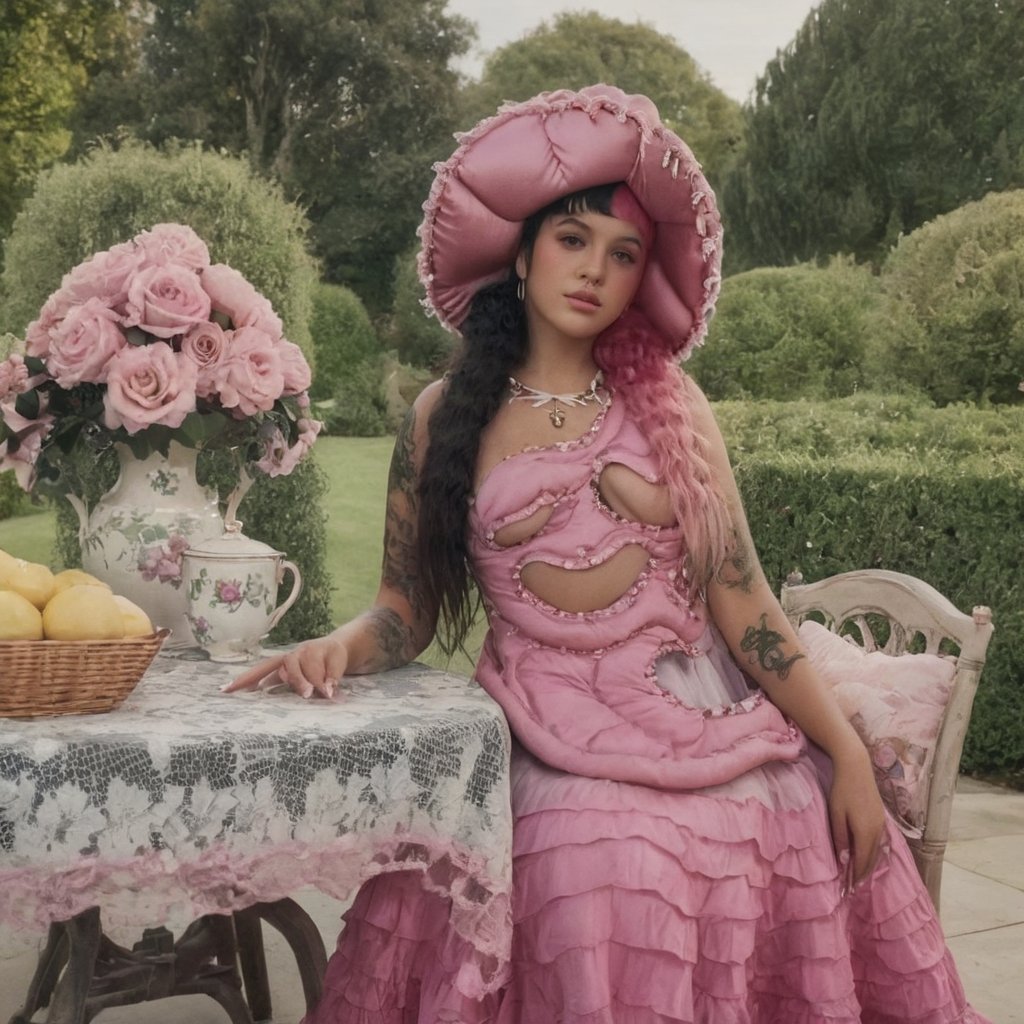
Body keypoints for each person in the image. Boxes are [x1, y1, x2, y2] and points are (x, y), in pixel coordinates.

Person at [227, 85, 990, 1023]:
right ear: (521, 250)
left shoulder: (674, 411)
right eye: (574, 239)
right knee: (595, 855)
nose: (594, 270)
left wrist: (846, 751)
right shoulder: (441, 418)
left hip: (697, 710)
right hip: (537, 721)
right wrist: (340, 647)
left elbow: (744, 602)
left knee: (770, 827)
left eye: (624, 254)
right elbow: (407, 607)